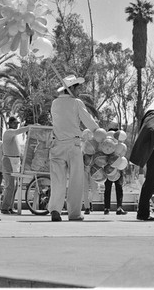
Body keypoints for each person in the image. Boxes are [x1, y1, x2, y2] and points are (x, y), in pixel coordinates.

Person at [47, 74, 99, 222]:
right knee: (76, 180)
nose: (78, 91)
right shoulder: (76, 103)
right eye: (77, 88)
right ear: (71, 88)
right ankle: (74, 213)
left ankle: (55, 210)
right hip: (73, 145)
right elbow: (88, 121)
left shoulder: (55, 103)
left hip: (57, 145)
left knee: (57, 180)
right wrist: (99, 134)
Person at [0, 117, 29, 214]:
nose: (16, 124)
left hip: (16, 160)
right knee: (10, 185)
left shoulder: (14, 135)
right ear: (10, 123)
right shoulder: (9, 132)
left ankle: (10, 207)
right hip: (9, 159)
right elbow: (18, 131)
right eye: (15, 123)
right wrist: (29, 127)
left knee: (15, 186)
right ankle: (5, 208)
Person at [103, 127, 126, 215]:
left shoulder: (107, 145)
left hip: (112, 168)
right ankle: (118, 208)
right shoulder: (117, 145)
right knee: (118, 188)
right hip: (114, 168)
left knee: (109, 188)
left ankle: (107, 208)